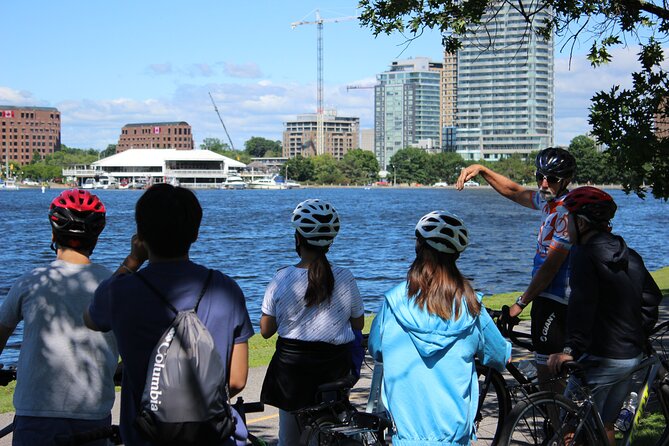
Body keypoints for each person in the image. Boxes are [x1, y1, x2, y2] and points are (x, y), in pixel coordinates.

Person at [84, 183, 254, 446]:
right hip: (214, 436)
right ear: (195, 233)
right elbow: (237, 379)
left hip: (145, 436)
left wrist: (132, 261)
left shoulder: (120, 291)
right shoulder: (225, 288)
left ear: (140, 234)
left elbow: (91, 319)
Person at [368, 210, 511, 444]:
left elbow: (376, 349)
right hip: (454, 437)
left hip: (403, 436)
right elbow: (499, 356)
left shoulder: (392, 304)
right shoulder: (472, 308)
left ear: (418, 248)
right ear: (456, 256)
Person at [0, 189, 118, 446]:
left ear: (53, 234)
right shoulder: (115, 286)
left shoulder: (30, 281)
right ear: (97, 237)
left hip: (35, 414)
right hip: (93, 415)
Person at [547, 186, 662, 445]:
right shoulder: (629, 254)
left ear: (583, 223)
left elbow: (581, 303)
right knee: (604, 424)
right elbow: (651, 298)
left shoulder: (583, 254)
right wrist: (635, 334)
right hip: (628, 356)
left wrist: (570, 349)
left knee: (571, 427)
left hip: (599, 358)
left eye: (569, 220)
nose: (566, 227)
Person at [456, 147, 576, 384]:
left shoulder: (566, 212)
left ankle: (563, 420)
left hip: (558, 300)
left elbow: (551, 266)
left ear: (566, 181)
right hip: (546, 296)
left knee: (549, 377)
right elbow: (514, 190)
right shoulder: (548, 202)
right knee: (552, 374)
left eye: (551, 179)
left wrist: (520, 304)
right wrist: (482, 170)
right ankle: (561, 417)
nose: (543, 183)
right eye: (539, 176)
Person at [260, 198, 365, 446]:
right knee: (330, 432)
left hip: (292, 372)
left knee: (289, 438)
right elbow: (358, 324)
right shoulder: (345, 277)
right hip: (334, 367)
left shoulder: (282, 278)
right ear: (329, 242)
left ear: (298, 238)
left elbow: (265, 331)